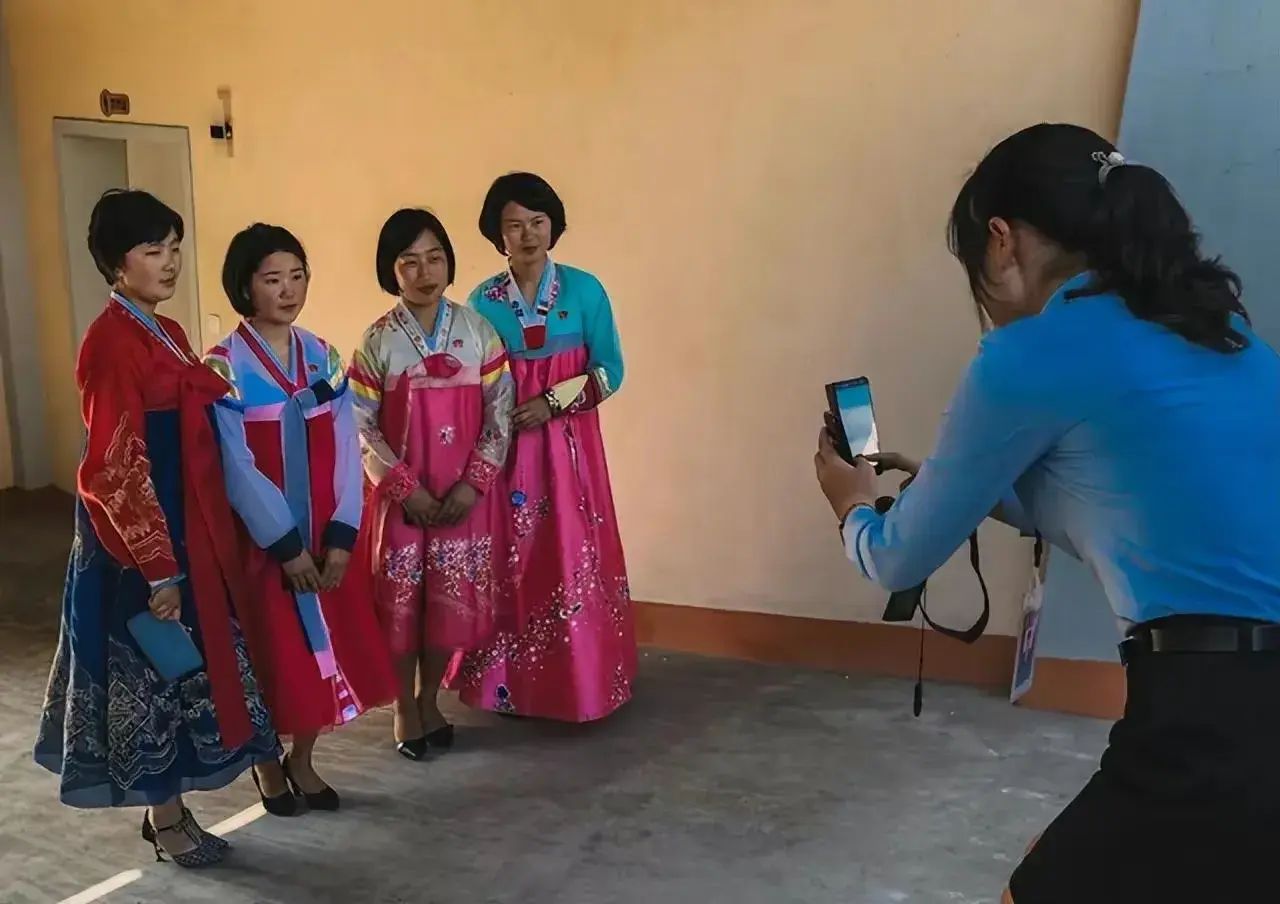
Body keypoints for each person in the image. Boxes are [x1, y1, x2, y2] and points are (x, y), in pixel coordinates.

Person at [813, 123, 1280, 903]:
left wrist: (851, 506)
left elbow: (895, 559)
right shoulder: (1217, 329)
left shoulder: (1030, 356)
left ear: (1002, 241)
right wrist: (951, 486)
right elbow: (1125, 505)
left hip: (1218, 712)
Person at [33, 190, 279, 867]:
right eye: (152, 251)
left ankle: (168, 810)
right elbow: (113, 467)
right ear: (117, 265)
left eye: (174, 248)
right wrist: (157, 568)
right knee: (154, 671)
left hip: (184, 526)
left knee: (186, 667)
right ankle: (165, 816)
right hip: (136, 542)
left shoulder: (162, 329)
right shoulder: (111, 343)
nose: (169, 263)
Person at [205, 224, 396, 813]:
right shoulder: (223, 366)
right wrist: (284, 546)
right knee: (268, 653)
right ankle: (266, 763)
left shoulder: (323, 355)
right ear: (246, 286)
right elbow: (236, 467)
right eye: (272, 279)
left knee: (327, 651)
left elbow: (346, 448)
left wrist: (340, 538)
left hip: (322, 535)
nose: (288, 290)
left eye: (297, 276)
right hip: (263, 543)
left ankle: (303, 760)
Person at [456, 172, 635, 723]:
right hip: (507, 454)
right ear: (497, 234)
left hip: (570, 450)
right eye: (514, 225)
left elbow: (611, 370)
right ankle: (505, 684)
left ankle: (585, 681)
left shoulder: (586, 290)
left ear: (553, 226)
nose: (528, 234)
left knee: (572, 549)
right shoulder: (482, 301)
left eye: (537, 222)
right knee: (511, 557)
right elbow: (471, 380)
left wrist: (554, 404)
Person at [347, 208, 516, 759]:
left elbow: (501, 413)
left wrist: (473, 484)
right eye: (409, 261)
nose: (425, 272)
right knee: (401, 607)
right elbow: (359, 423)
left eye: (435, 258)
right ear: (390, 271)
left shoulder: (478, 332)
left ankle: (430, 699)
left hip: (461, 499)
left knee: (448, 606)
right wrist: (403, 488)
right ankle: (403, 706)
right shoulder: (376, 342)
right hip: (404, 501)